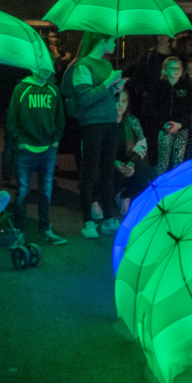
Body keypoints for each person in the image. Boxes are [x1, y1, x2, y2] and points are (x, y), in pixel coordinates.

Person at [61, 32, 126, 239]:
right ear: (101, 40)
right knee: (89, 173)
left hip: (109, 121)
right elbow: (86, 98)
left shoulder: (106, 65)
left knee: (108, 172)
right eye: (112, 40)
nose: (115, 43)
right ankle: (88, 222)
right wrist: (108, 82)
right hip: (92, 124)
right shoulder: (83, 65)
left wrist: (117, 89)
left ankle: (108, 219)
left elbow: (105, 95)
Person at [6, 65, 67, 244]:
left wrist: (55, 140)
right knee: (22, 192)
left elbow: (59, 118)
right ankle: (19, 231)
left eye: (49, 65)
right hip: (26, 148)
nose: (46, 69)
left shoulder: (53, 90)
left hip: (47, 149)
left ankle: (44, 230)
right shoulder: (21, 89)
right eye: (42, 65)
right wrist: (20, 142)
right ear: (32, 66)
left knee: (46, 192)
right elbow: (12, 119)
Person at [110, 87, 152, 216]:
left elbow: (141, 145)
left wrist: (131, 163)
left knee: (148, 173)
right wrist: (114, 162)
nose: (120, 105)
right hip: (110, 163)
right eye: (117, 101)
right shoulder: (104, 122)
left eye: (124, 101)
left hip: (127, 163)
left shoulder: (132, 121)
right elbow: (98, 150)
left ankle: (125, 196)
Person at [132, 36, 173, 166]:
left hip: (170, 105)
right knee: (153, 140)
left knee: (171, 139)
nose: (162, 36)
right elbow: (138, 78)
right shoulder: (148, 55)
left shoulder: (175, 56)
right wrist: (145, 91)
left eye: (164, 33)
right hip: (151, 106)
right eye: (159, 33)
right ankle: (154, 172)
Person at [150, 55, 192, 174]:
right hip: (165, 128)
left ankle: (176, 188)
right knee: (162, 162)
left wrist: (180, 124)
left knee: (178, 161)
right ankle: (159, 188)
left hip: (181, 129)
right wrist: (163, 124)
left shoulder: (186, 85)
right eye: (173, 68)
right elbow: (154, 109)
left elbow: (189, 109)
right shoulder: (159, 86)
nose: (177, 70)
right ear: (165, 70)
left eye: (179, 67)